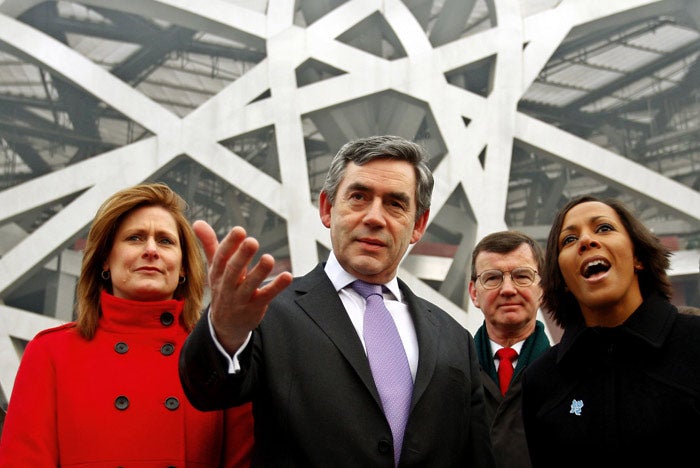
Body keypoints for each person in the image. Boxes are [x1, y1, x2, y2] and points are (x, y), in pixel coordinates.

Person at [179, 135, 496, 467]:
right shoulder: (268, 313)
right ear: (328, 208)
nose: (375, 217)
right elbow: (208, 391)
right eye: (358, 197)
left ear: (417, 225)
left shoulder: (454, 338)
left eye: (395, 203)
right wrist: (224, 330)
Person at [0, 183, 254, 467]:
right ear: (105, 260)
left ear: (183, 267)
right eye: (134, 238)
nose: (151, 250)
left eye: (166, 241)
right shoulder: (50, 353)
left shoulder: (218, 355)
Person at [522, 195, 700, 468]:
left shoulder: (694, 342)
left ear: (638, 256)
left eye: (604, 228)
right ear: (564, 279)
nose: (586, 241)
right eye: (568, 240)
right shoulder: (541, 381)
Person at [468, 230, 550, 468]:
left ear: (542, 289)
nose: (507, 289)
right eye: (492, 278)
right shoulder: (451, 372)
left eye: (522, 276)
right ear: (474, 293)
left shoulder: (571, 373)